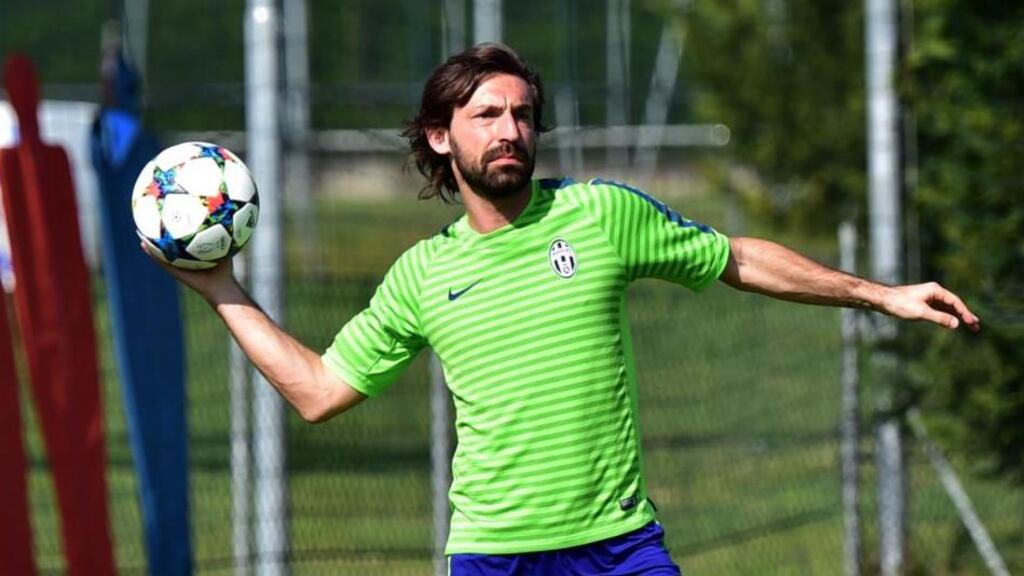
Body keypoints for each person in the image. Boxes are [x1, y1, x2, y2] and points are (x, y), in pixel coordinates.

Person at [146, 43, 980, 575]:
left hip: (621, 550)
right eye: (487, 116)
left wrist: (879, 293)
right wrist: (222, 288)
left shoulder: (603, 214)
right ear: (441, 137)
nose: (510, 130)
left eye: (522, 114)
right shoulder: (419, 276)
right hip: (493, 558)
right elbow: (321, 390)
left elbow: (736, 259)